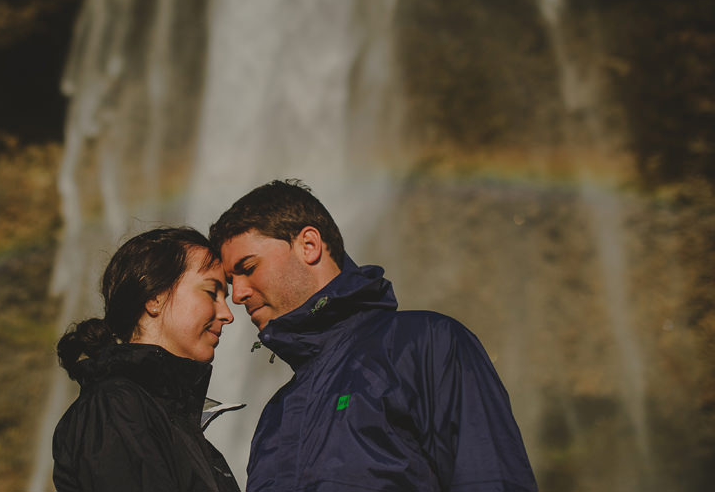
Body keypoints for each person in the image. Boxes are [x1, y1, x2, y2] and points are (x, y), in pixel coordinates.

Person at [209, 180, 538, 492]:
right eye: (228, 281)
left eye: (248, 268)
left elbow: (491, 479)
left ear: (309, 245)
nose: (237, 295)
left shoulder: (428, 345)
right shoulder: (276, 414)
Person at [53, 227, 241, 492]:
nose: (227, 314)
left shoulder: (159, 411)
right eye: (212, 293)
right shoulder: (116, 407)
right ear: (155, 297)